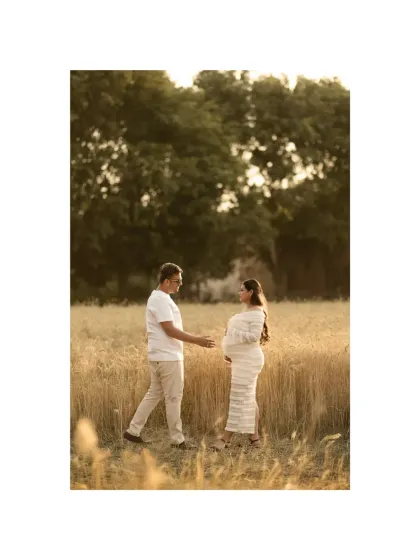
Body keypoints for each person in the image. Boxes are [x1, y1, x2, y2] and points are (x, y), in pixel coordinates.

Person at [124, 263, 216, 450]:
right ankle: (178, 440)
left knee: (154, 393)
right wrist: (197, 340)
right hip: (168, 358)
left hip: (160, 356)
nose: (180, 284)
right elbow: (169, 329)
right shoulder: (161, 300)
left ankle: (133, 432)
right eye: (177, 281)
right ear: (166, 281)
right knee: (174, 397)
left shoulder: (159, 298)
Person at [211, 279, 270, 451]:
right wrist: (229, 351)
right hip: (240, 360)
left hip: (249, 361)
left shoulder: (258, 313)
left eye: (242, 290)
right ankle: (255, 440)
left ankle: (225, 439)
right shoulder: (247, 311)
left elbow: (253, 337)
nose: (239, 292)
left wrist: (231, 330)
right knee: (248, 398)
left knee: (238, 399)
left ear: (250, 292)